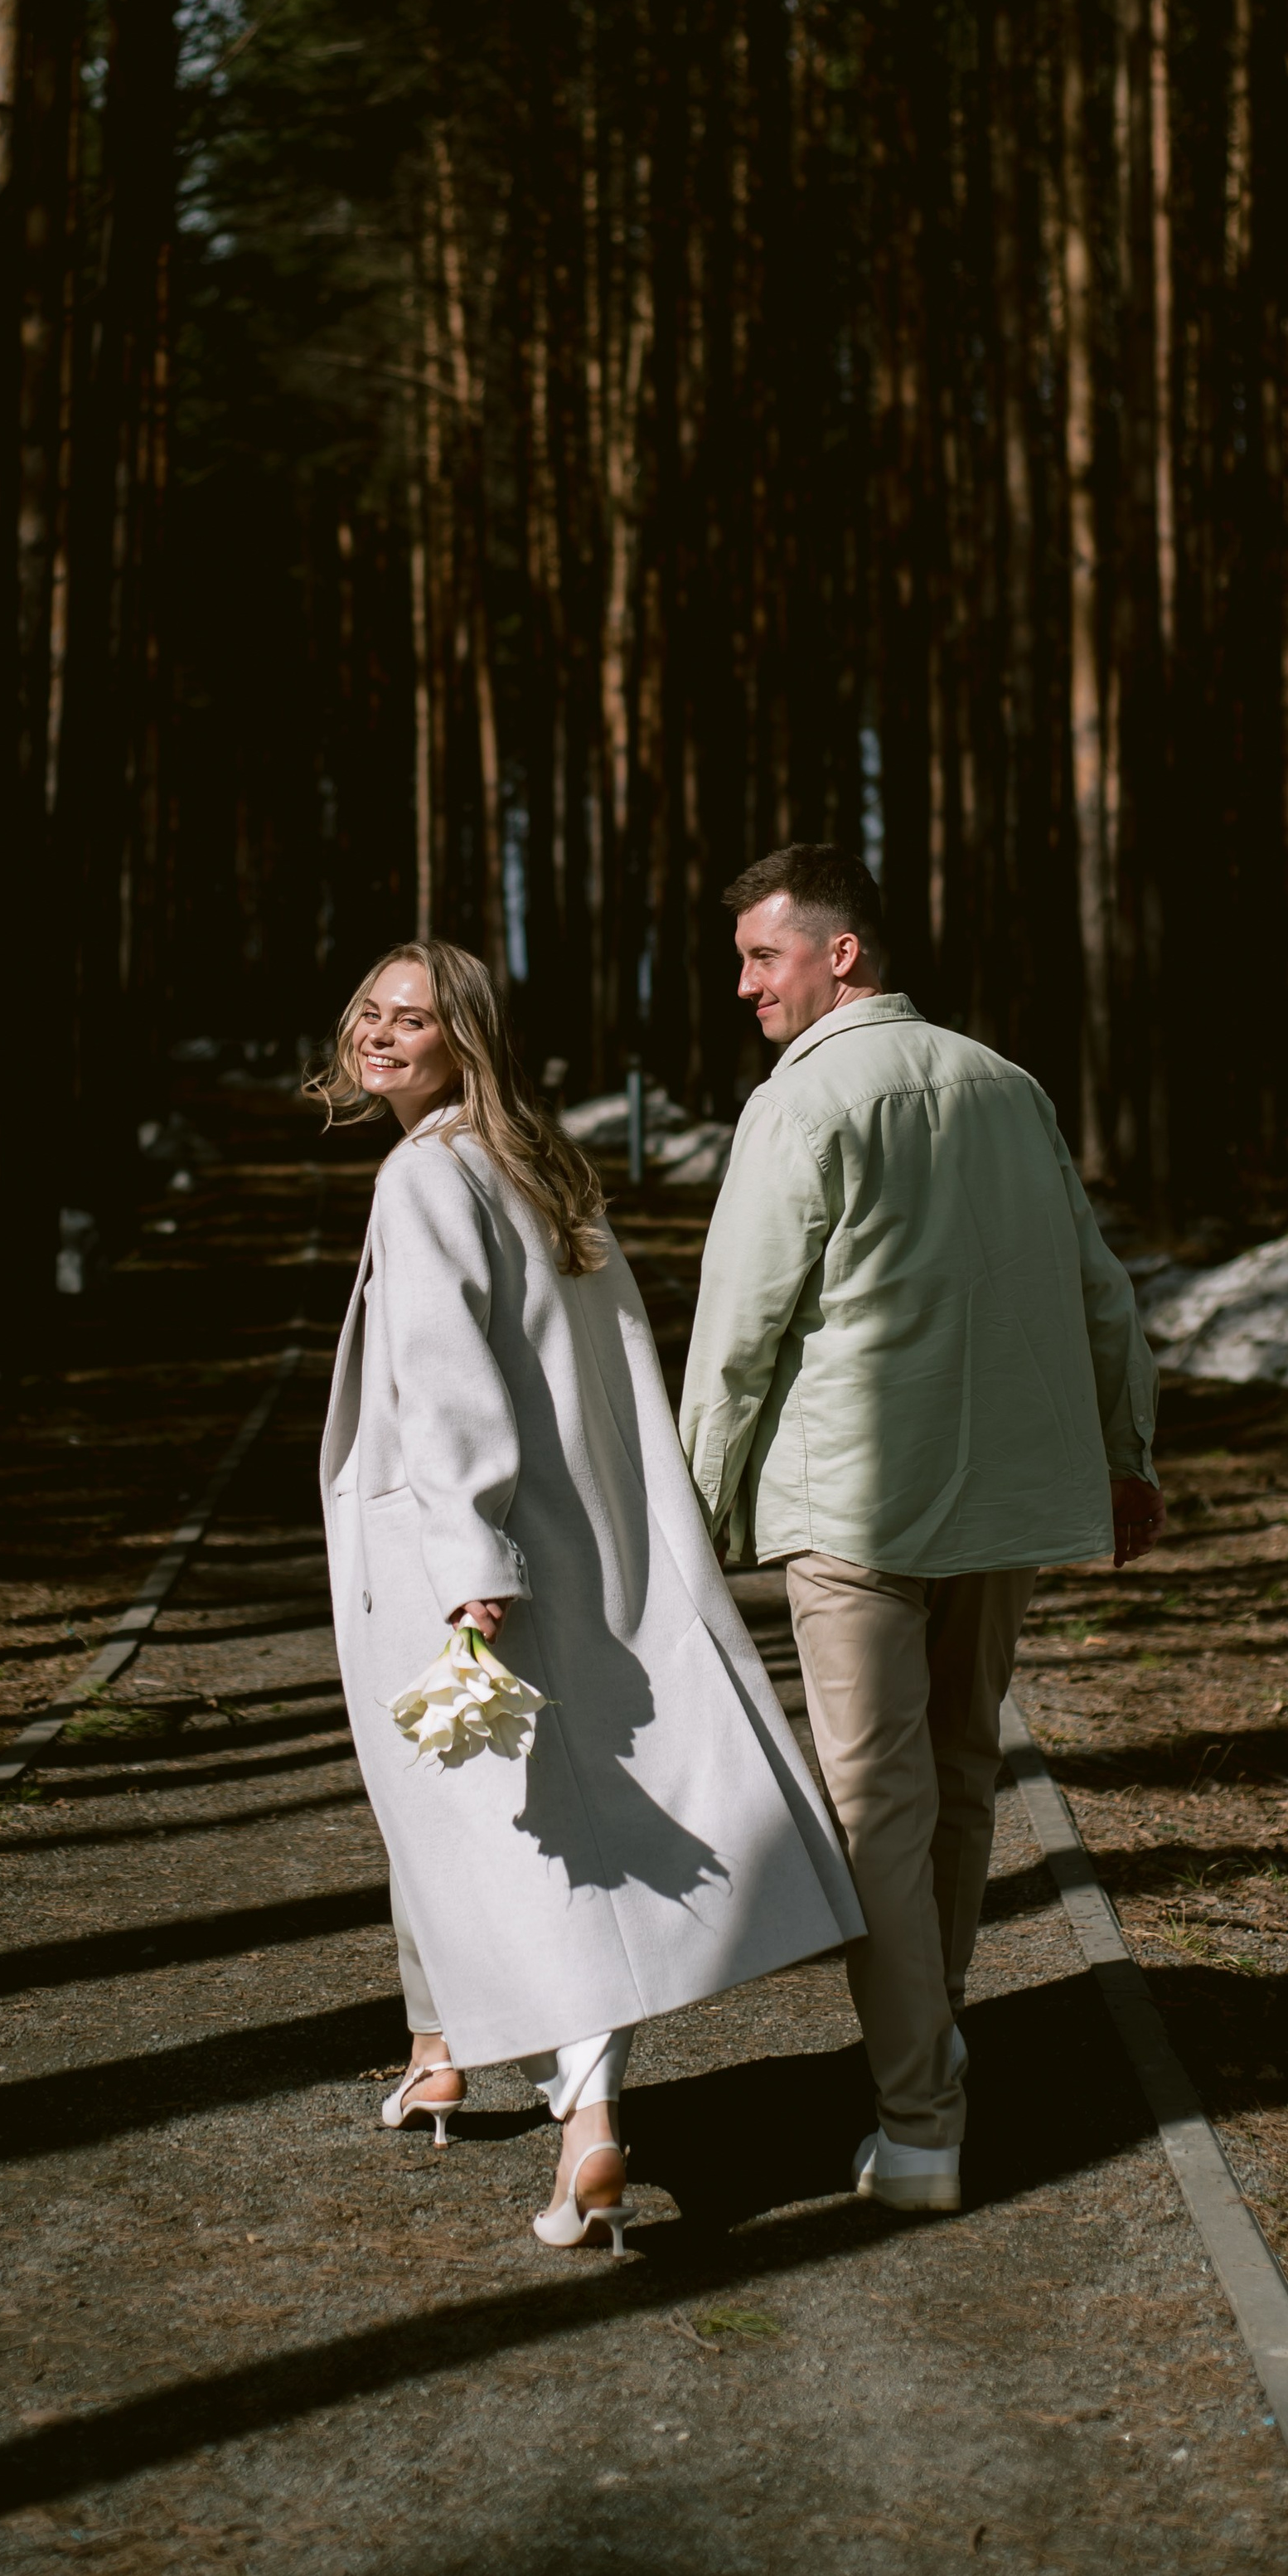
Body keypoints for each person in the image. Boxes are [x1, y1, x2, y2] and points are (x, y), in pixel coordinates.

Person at [311, 939, 864, 2256]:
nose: (384, 1036)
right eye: (372, 1013)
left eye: (418, 1021)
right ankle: (447, 2054)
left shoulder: (424, 1177)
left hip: (471, 1559)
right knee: (509, 1820)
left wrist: (466, 1570)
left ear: (469, 1045)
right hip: (580, 1541)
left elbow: (448, 1394)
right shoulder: (540, 1172)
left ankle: (588, 2126)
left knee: (520, 1842)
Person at [678, 847, 1164, 2215]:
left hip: (855, 1511)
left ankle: (920, 2119)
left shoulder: (802, 1101)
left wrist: (696, 1513)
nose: (744, 986)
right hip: (1000, 1506)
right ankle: (930, 2048)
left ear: (843, 956)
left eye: (764, 958)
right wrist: (1127, 1457)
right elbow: (1100, 1291)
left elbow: (737, 1336)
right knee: (955, 1784)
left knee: (875, 1810)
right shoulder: (1006, 1086)